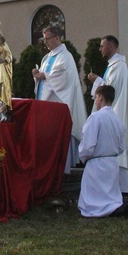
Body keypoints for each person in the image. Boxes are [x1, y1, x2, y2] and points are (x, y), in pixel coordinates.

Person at [77, 85, 128, 220]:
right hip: (112, 163)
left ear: (100, 97)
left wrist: (83, 157)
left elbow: (88, 145)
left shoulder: (96, 118)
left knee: (95, 204)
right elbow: (121, 146)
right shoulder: (117, 119)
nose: (95, 101)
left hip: (97, 165)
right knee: (110, 198)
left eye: (95, 98)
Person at [87, 35, 128, 195]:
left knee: (120, 154)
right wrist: (99, 81)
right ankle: (123, 187)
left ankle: (123, 188)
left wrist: (97, 81)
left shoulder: (119, 67)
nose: (100, 49)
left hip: (118, 113)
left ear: (112, 47)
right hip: (114, 112)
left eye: (103, 46)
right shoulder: (113, 66)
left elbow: (110, 91)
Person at [32, 26, 88, 173]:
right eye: (43, 39)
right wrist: (37, 75)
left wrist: (45, 76)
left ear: (57, 38)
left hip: (59, 103)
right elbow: (45, 77)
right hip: (47, 104)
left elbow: (63, 77)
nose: (45, 42)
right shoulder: (48, 57)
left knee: (58, 136)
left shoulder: (65, 56)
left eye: (47, 39)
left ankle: (62, 169)